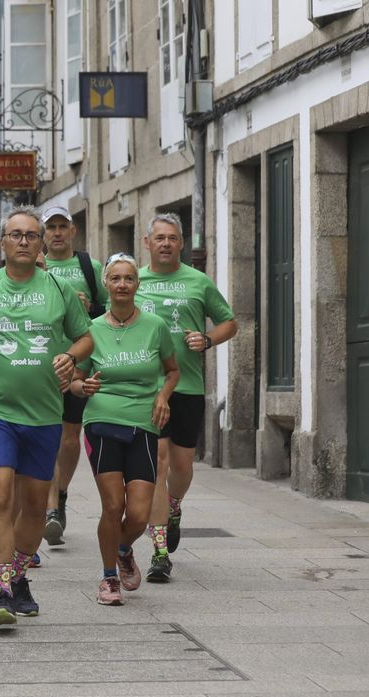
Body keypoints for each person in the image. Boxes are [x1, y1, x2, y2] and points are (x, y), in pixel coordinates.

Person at [0, 206, 92, 625]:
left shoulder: (58, 290)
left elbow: (85, 338)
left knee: (34, 506)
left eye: (30, 235)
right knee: (1, 492)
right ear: (2, 242)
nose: (23, 241)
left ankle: (20, 576)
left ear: (41, 243)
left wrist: (70, 356)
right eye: (14, 234)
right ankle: (2, 589)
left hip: (44, 412)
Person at [68, 253, 179, 605]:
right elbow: (73, 378)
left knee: (140, 514)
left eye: (128, 278)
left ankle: (122, 548)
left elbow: (173, 370)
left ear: (137, 284)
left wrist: (163, 395)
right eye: (115, 278)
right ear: (106, 284)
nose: (122, 284)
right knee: (113, 506)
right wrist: (80, 388)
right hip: (101, 423)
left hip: (144, 425)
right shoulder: (92, 330)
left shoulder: (155, 326)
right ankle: (108, 578)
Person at [135, 213, 237, 582]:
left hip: (188, 387)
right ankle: (159, 551)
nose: (165, 243)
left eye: (172, 238)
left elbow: (230, 321)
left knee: (181, 466)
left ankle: (174, 507)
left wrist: (207, 339)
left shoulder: (198, 281)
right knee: (158, 464)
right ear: (147, 243)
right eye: (159, 237)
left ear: (181, 244)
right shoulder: (136, 281)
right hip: (148, 390)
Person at [39, 206, 105, 547]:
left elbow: (109, 314)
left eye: (63, 226)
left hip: (79, 366)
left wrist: (87, 307)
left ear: (73, 230)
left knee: (69, 437)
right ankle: (50, 509)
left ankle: (60, 495)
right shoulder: (37, 266)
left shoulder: (89, 268)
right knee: (49, 435)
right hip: (41, 365)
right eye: (51, 227)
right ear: (43, 233)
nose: (57, 233)